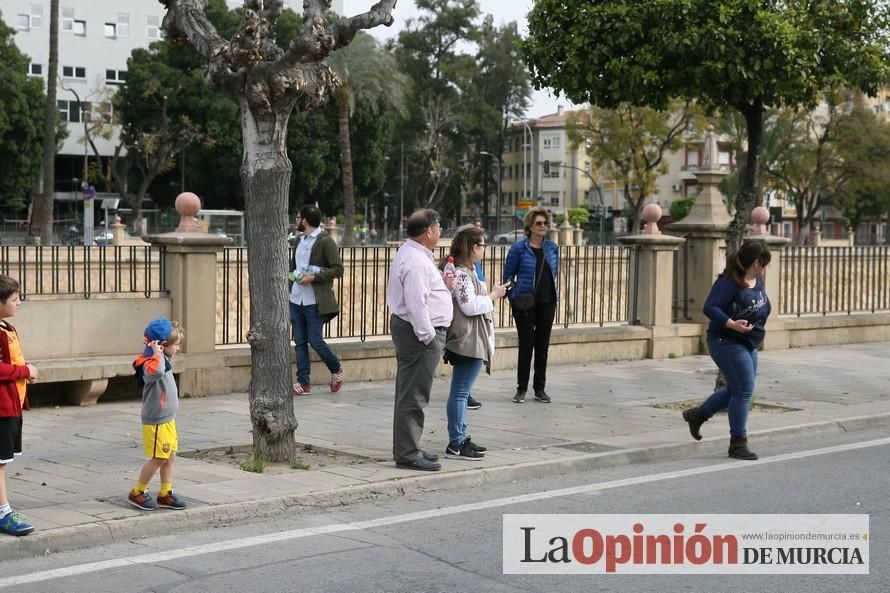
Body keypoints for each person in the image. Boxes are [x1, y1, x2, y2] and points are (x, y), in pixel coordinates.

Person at [682, 240, 772, 460]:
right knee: (744, 390)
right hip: (725, 340)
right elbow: (709, 307)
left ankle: (698, 415)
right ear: (755, 262)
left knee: (736, 389)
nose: (765, 268)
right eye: (764, 263)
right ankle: (737, 444)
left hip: (748, 341)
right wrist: (732, 323)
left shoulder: (757, 280)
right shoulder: (728, 283)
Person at [387, 209, 454, 471]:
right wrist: (429, 338)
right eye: (439, 227)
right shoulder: (415, 260)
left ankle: (408, 447)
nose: (440, 232)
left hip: (417, 332)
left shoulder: (414, 254)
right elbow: (417, 303)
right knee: (414, 395)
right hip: (420, 335)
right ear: (429, 231)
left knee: (410, 393)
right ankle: (407, 453)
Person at [441, 225, 507, 460]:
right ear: (472, 247)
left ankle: (459, 438)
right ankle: (456, 442)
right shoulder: (461, 273)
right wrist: (494, 295)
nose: (484, 249)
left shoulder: (467, 271)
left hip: (472, 339)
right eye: (481, 245)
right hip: (468, 340)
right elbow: (469, 306)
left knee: (461, 392)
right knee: (460, 393)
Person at [128, 318, 187, 511]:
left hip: (168, 419)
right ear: (162, 346)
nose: (178, 349)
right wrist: (157, 353)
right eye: (176, 345)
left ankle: (165, 494)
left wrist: (160, 352)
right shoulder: (150, 363)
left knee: (169, 456)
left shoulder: (162, 358)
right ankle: (137, 492)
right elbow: (156, 373)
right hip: (156, 421)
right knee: (158, 458)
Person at [502, 206, 559, 404]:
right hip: (525, 304)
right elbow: (507, 277)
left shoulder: (552, 248)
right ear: (530, 227)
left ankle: (540, 389)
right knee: (526, 346)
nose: (543, 226)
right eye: (539, 223)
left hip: (547, 302)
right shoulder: (519, 248)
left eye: (545, 223)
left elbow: (554, 272)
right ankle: (521, 389)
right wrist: (513, 299)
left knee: (542, 347)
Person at [289, 204, 345, 396]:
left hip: (314, 300)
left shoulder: (325, 242)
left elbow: (338, 269)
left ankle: (336, 369)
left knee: (315, 340)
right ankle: (303, 383)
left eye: (298, 218)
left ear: (304, 220)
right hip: (296, 299)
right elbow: (293, 266)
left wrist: (312, 277)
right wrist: (292, 278)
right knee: (300, 342)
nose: (296, 221)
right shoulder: (298, 241)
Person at [0, 275, 37, 536]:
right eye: (15, 299)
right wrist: (24, 370)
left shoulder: (6, 327)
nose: (19, 303)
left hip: (10, 405)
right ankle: (3, 512)